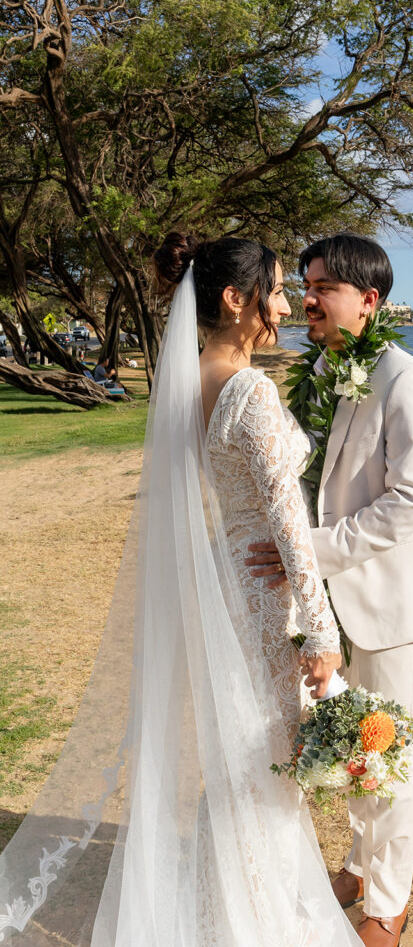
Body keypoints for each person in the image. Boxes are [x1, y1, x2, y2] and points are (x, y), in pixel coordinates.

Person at [0, 233, 362, 947]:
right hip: (264, 600)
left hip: (227, 579)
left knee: (245, 761)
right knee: (268, 768)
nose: (289, 307)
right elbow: (288, 526)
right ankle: (249, 923)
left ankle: (231, 909)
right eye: (280, 291)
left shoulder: (189, 377)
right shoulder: (251, 390)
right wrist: (321, 636)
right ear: (235, 299)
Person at [247, 233, 413, 947]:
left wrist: (310, 552)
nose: (307, 298)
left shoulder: (403, 379)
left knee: (388, 752)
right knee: (347, 743)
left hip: (389, 604)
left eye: (324, 286)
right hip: (328, 605)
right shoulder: (323, 372)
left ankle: (388, 904)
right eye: (305, 284)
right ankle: (359, 865)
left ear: (367, 301)